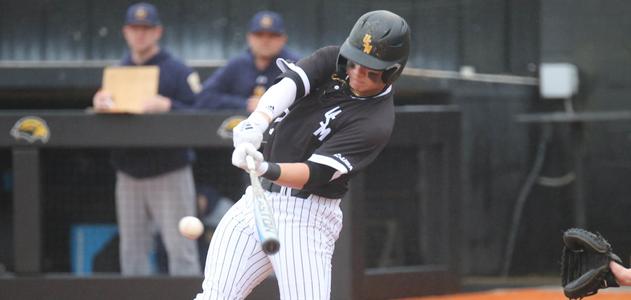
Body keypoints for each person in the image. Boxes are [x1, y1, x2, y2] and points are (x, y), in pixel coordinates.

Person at [195, 10, 410, 299]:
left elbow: (315, 174)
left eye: (370, 70)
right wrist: (258, 121)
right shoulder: (333, 59)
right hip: (257, 203)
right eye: (355, 63)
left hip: (306, 216)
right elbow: (289, 86)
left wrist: (265, 168)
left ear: (393, 71)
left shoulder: (376, 121)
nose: (357, 74)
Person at [92, 2, 201, 276]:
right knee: (132, 251)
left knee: (181, 249)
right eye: (135, 28)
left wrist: (169, 106)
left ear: (158, 32)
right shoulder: (117, 72)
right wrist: (97, 103)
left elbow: (202, 112)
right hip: (129, 174)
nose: (140, 34)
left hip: (170, 171)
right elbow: (103, 121)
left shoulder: (177, 70)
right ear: (125, 32)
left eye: (146, 29)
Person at [194, 10, 300, 112]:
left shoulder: (295, 66)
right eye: (259, 35)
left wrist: (271, 105)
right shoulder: (237, 65)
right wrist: (244, 104)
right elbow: (204, 97)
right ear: (249, 37)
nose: (265, 41)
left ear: (283, 39)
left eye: (272, 35)